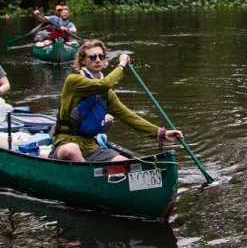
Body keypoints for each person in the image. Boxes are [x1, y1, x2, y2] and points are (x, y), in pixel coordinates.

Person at [50, 39, 185, 162]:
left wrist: (160, 133)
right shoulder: (74, 80)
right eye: (92, 57)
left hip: (91, 146)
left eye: (101, 56)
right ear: (83, 61)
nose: (97, 60)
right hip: (65, 142)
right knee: (72, 150)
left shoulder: (107, 94)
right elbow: (103, 84)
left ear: (105, 61)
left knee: (123, 162)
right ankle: (88, 179)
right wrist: (121, 65)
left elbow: (128, 116)